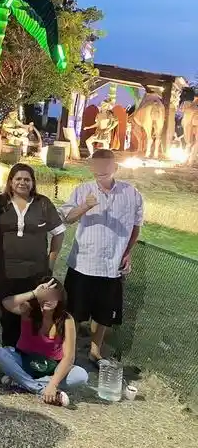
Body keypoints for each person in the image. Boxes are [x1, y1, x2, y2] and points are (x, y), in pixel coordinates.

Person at [59, 149, 143, 363]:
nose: (101, 170)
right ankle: (68, 349)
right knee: (74, 310)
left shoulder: (131, 193)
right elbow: (67, 218)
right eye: (97, 165)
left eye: (106, 165)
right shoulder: (82, 190)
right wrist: (85, 206)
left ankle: (95, 351)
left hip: (112, 264)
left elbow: (136, 225)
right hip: (83, 262)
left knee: (104, 313)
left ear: (115, 167)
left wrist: (127, 252)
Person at [0, 164, 66, 347]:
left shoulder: (43, 204)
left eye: (27, 179)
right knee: (7, 313)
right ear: (10, 181)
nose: (22, 182)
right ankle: (9, 355)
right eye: (18, 179)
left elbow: (59, 232)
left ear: (33, 183)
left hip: (35, 272)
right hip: (4, 271)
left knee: (32, 314)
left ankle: (30, 355)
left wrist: (51, 261)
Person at [0, 278, 88, 406]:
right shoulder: (29, 310)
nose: (48, 299)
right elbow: (6, 303)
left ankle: (20, 381)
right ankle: (40, 389)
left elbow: (69, 358)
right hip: (25, 361)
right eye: (45, 294)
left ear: (60, 298)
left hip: (51, 367)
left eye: (53, 295)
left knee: (81, 376)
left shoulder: (66, 319)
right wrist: (34, 293)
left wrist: (53, 384)